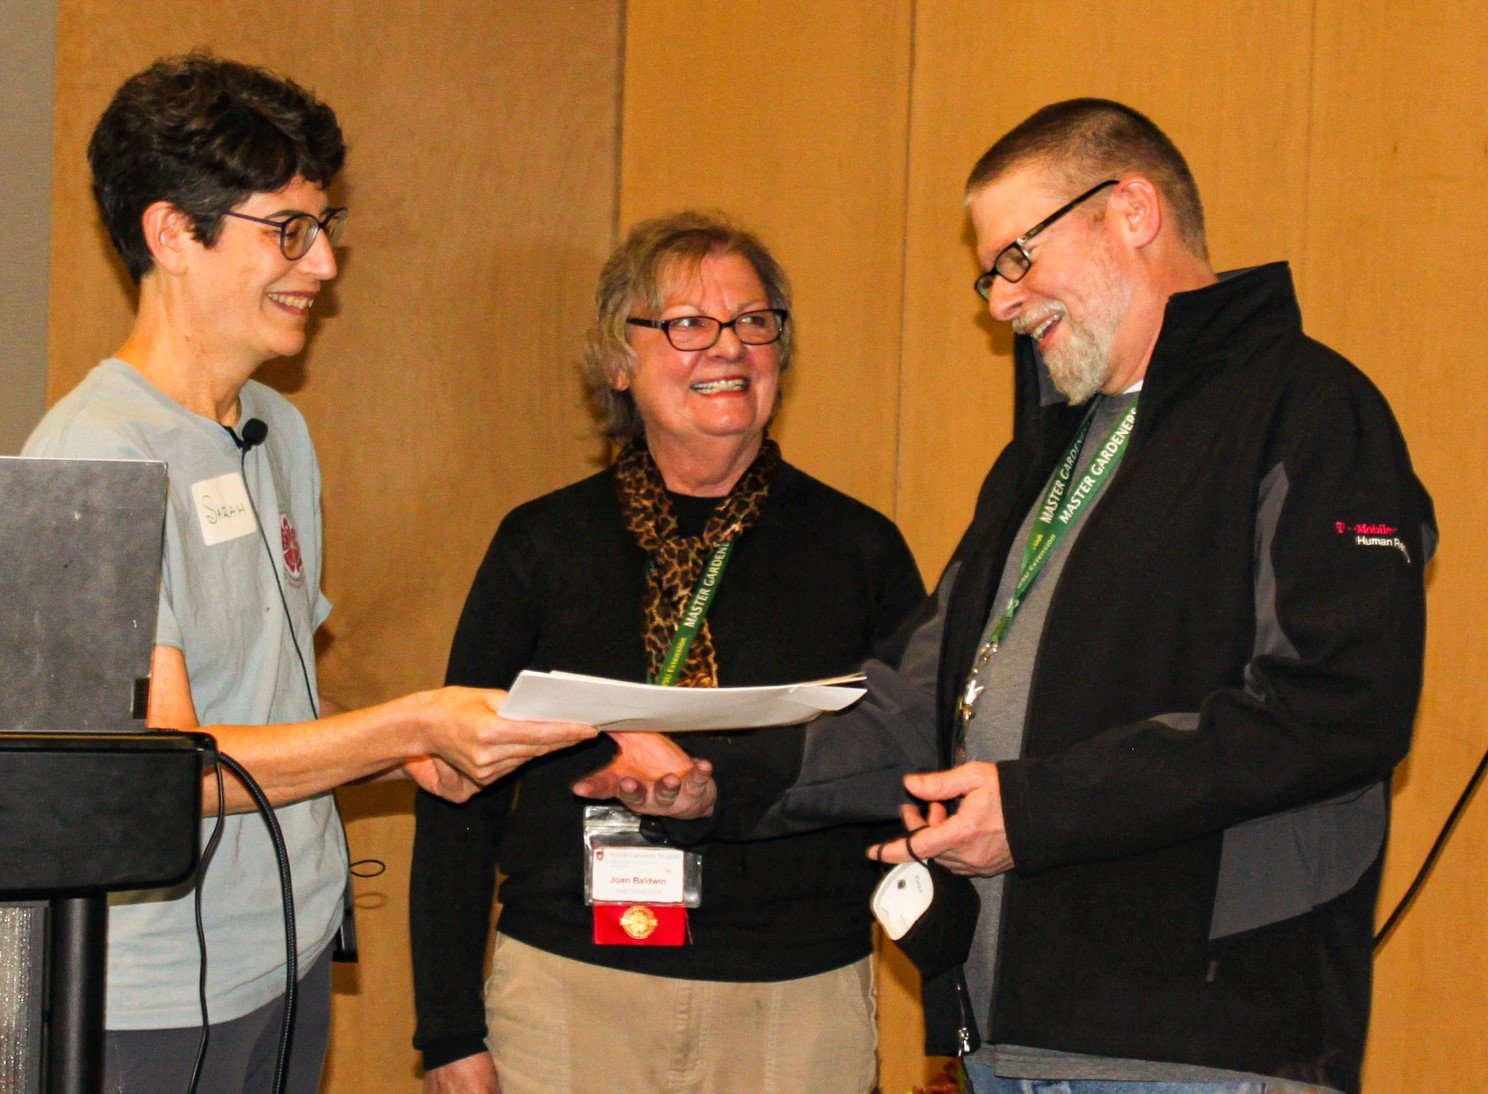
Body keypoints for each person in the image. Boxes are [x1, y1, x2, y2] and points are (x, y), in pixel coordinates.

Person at [606, 100, 1435, 1094]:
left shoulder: (1308, 410)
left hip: (1203, 1045)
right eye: (990, 271)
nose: (1000, 302)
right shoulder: (1045, 456)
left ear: (1129, 210)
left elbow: (1336, 707)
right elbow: (919, 702)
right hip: (1010, 1045)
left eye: (1016, 258)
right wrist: (717, 780)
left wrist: (1032, 810)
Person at [22, 54, 594, 1093]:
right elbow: (175, 766)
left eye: (324, 228)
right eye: (288, 229)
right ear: (170, 234)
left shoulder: (274, 427)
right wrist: (411, 722)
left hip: (284, 956)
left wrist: (403, 756)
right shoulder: (92, 460)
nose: (323, 264)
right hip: (154, 1002)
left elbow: (268, 700)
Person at [409, 211, 925, 1093]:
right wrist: (449, 1026)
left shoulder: (860, 549)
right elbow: (460, 793)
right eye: (687, 323)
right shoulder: (540, 544)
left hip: (793, 997)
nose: (727, 348)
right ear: (619, 360)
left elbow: (906, 764)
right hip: (572, 989)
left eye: (754, 321)